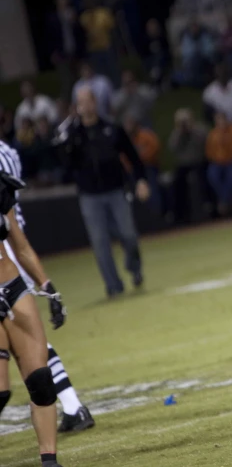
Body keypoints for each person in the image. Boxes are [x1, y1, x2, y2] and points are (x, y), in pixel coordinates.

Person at [0, 140, 94, 433]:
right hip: (12, 241)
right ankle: (71, 405)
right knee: (28, 338)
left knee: (26, 338)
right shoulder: (9, 151)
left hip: (7, 248)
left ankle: (72, 406)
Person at [0, 171, 67, 467]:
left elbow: (19, 244)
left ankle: (49, 462)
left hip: (11, 286)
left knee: (41, 381)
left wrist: (47, 286)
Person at [56, 87, 150, 298]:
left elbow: (133, 157)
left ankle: (134, 269)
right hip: (90, 195)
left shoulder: (111, 127)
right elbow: (66, 166)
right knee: (100, 242)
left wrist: (141, 180)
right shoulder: (72, 133)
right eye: (80, 102)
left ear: (94, 102)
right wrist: (67, 142)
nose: (84, 106)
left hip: (116, 189)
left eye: (87, 101)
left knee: (129, 234)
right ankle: (113, 286)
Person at [168, 108, 210, 223]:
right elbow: (173, 148)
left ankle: (208, 205)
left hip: (199, 161)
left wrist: (192, 131)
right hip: (184, 164)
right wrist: (180, 133)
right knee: (177, 181)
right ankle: (179, 212)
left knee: (203, 178)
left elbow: (205, 143)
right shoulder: (177, 133)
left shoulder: (199, 130)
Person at [205, 111, 232, 216]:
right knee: (212, 175)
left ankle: (224, 203)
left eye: (222, 119)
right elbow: (210, 152)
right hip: (219, 163)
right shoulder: (213, 135)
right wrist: (219, 159)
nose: (221, 122)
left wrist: (228, 156)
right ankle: (227, 200)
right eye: (218, 120)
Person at [123, 115, 162, 213]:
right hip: (132, 171)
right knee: (131, 192)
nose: (129, 127)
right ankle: (141, 217)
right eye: (127, 125)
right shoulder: (125, 139)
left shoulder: (146, 135)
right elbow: (122, 157)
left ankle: (157, 214)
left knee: (152, 190)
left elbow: (155, 148)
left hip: (149, 167)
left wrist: (139, 159)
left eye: (131, 124)